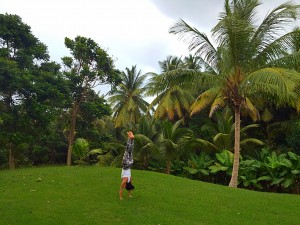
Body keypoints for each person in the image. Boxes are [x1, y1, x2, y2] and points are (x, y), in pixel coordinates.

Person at [119, 131, 135, 200]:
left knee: (128, 150)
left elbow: (121, 189)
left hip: (127, 164)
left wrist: (121, 197)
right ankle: (131, 138)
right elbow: (129, 186)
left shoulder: (126, 180)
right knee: (129, 150)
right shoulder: (127, 180)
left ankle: (131, 138)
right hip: (128, 164)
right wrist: (129, 195)